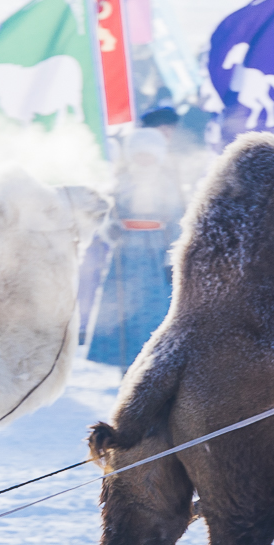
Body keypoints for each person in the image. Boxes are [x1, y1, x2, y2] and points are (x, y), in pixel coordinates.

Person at [88, 125, 183, 370]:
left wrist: (173, 257)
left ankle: (155, 363)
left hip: (155, 253)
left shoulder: (168, 184)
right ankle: (125, 365)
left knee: (154, 310)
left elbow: (177, 221)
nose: (144, 159)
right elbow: (107, 213)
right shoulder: (121, 182)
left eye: (148, 154)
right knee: (123, 310)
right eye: (139, 154)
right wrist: (109, 227)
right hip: (126, 253)